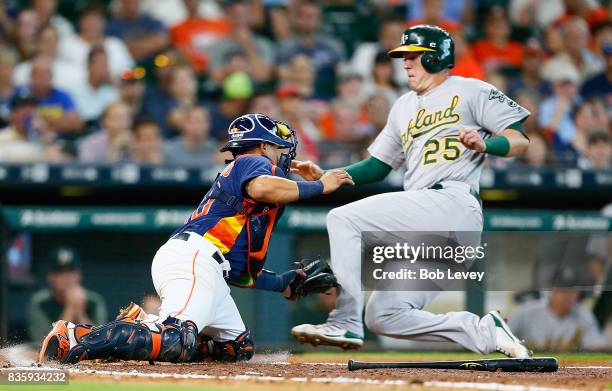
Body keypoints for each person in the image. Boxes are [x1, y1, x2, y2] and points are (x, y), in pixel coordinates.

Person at [291, 25, 533, 359]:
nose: (405, 63)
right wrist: (332, 174)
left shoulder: (471, 90)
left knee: (344, 219)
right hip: (427, 226)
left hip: (452, 204)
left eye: (413, 56)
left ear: (436, 58)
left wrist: (487, 143)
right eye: (403, 57)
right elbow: (378, 165)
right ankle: (483, 332)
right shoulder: (403, 106)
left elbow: (520, 139)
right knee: (384, 315)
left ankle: (344, 319)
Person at [39, 113, 353, 364]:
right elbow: (262, 187)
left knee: (234, 348)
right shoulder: (251, 162)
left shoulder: (255, 199)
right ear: (263, 146)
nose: (284, 155)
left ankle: (144, 325)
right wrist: (320, 186)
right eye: (278, 147)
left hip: (208, 267)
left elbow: (243, 274)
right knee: (177, 340)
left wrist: (285, 282)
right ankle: (77, 336)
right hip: (195, 258)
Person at [508, 267, 609, 352]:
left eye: (573, 289)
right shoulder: (525, 312)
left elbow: (597, 344)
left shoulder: (584, 315)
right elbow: (503, 338)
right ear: (552, 289)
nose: (568, 295)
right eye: (563, 289)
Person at [27, 247, 107, 344]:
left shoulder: (94, 301)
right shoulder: (40, 302)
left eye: (71, 271)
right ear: (50, 277)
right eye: (60, 272)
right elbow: (47, 345)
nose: (66, 277)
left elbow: (99, 342)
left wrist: (80, 312)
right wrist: (70, 308)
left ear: (79, 275)